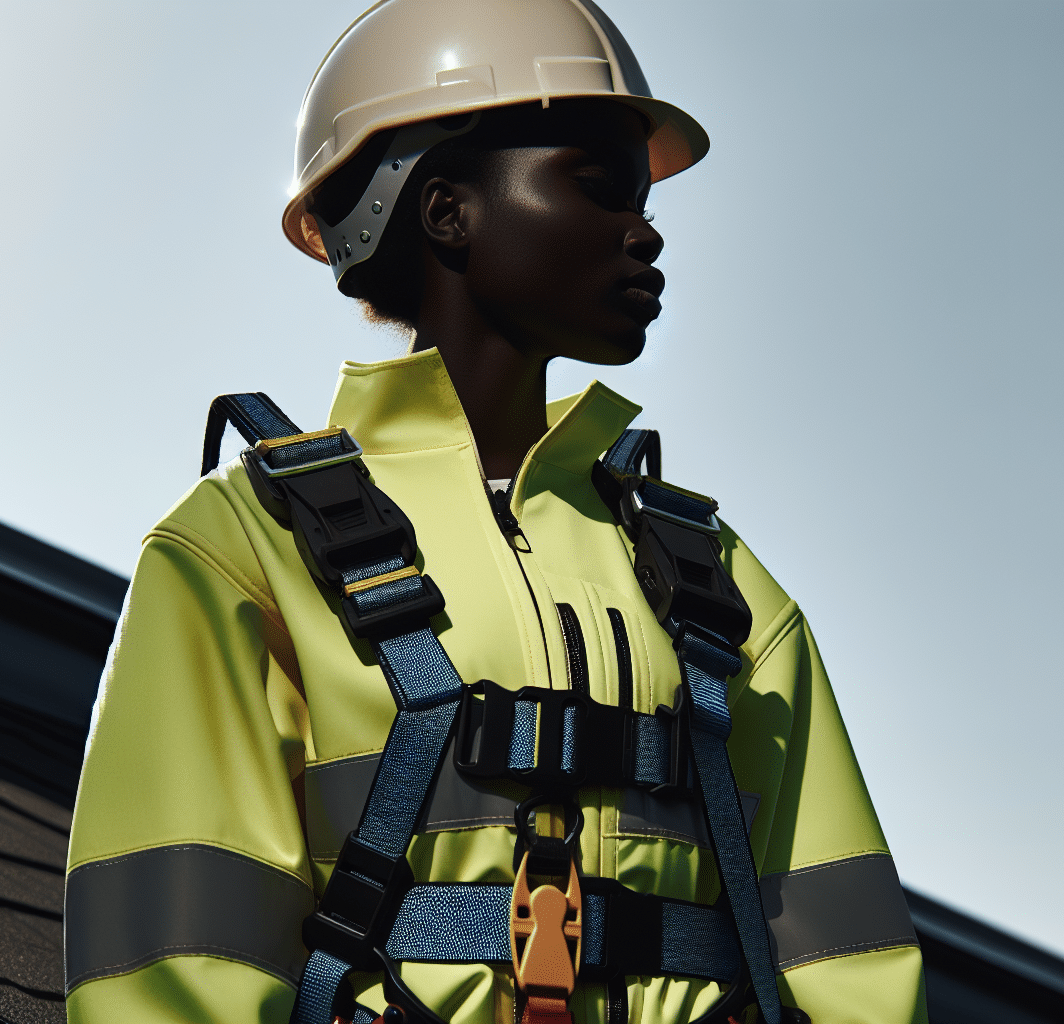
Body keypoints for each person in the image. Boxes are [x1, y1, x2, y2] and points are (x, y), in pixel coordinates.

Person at [63, 1, 926, 1022]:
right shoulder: (243, 548)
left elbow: (851, 968)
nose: (645, 231)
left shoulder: (721, 583)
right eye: (598, 186)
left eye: (646, 201)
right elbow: (174, 969)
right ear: (446, 212)